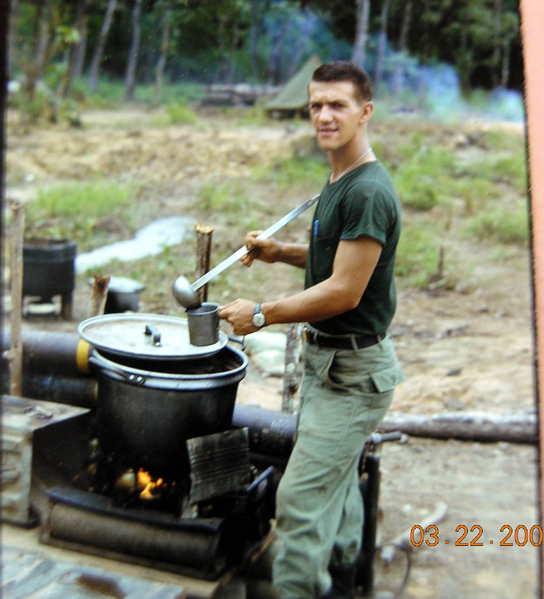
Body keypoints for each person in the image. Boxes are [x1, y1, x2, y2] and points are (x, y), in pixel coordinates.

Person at [218, 61, 404, 599]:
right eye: (316, 105)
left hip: (352, 374)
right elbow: (339, 258)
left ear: (365, 112)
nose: (324, 115)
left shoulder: (368, 190)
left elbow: (345, 291)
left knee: (299, 503)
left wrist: (260, 313)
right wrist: (280, 253)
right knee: (338, 487)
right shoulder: (341, 177)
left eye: (338, 105)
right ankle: (343, 584)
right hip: (332, 367)